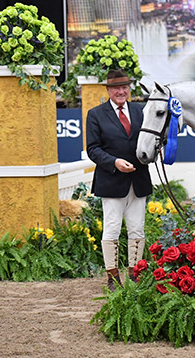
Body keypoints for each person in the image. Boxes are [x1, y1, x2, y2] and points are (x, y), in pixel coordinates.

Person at [86, 69, 152, 291]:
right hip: (112, 180)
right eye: (116, 88)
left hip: (139, 179)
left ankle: (135, 275)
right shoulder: (96, 114)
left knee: (137, 229)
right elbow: (93, 149)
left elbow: (150, 139)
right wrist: (114, 162)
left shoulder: (141, 111)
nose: (121, 91)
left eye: (124, 87)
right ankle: (112, 278)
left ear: (129, 89)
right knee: (112, 229)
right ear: (108, 90)